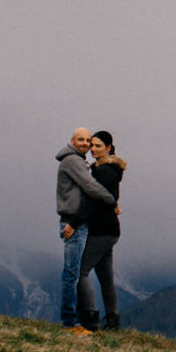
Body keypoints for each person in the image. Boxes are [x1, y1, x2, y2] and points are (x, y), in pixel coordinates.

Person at [56, 126, 118, 331]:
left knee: (78, 273)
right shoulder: (76, 162)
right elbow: (91, 189)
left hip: (91, 226)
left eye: (89, 141)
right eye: (82, 140)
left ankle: (86, 320)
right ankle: (75, 321)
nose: (87, 145)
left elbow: (90, 194)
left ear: (108, 148)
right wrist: (112, 201)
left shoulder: (93, 167)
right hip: (80, 223)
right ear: (72, 141)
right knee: (78, 274)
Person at [77, 130, 126, 331]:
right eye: (92, 145)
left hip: (101, 229)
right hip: (110, 229)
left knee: (81, 272)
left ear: (109, 148)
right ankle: (113, 321)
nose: (93, 149)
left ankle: (91, 319)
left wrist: (75, 221)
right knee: (106, 279)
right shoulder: (110, 169)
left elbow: (95, 199)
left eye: (98, 146)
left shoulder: (103, 171)